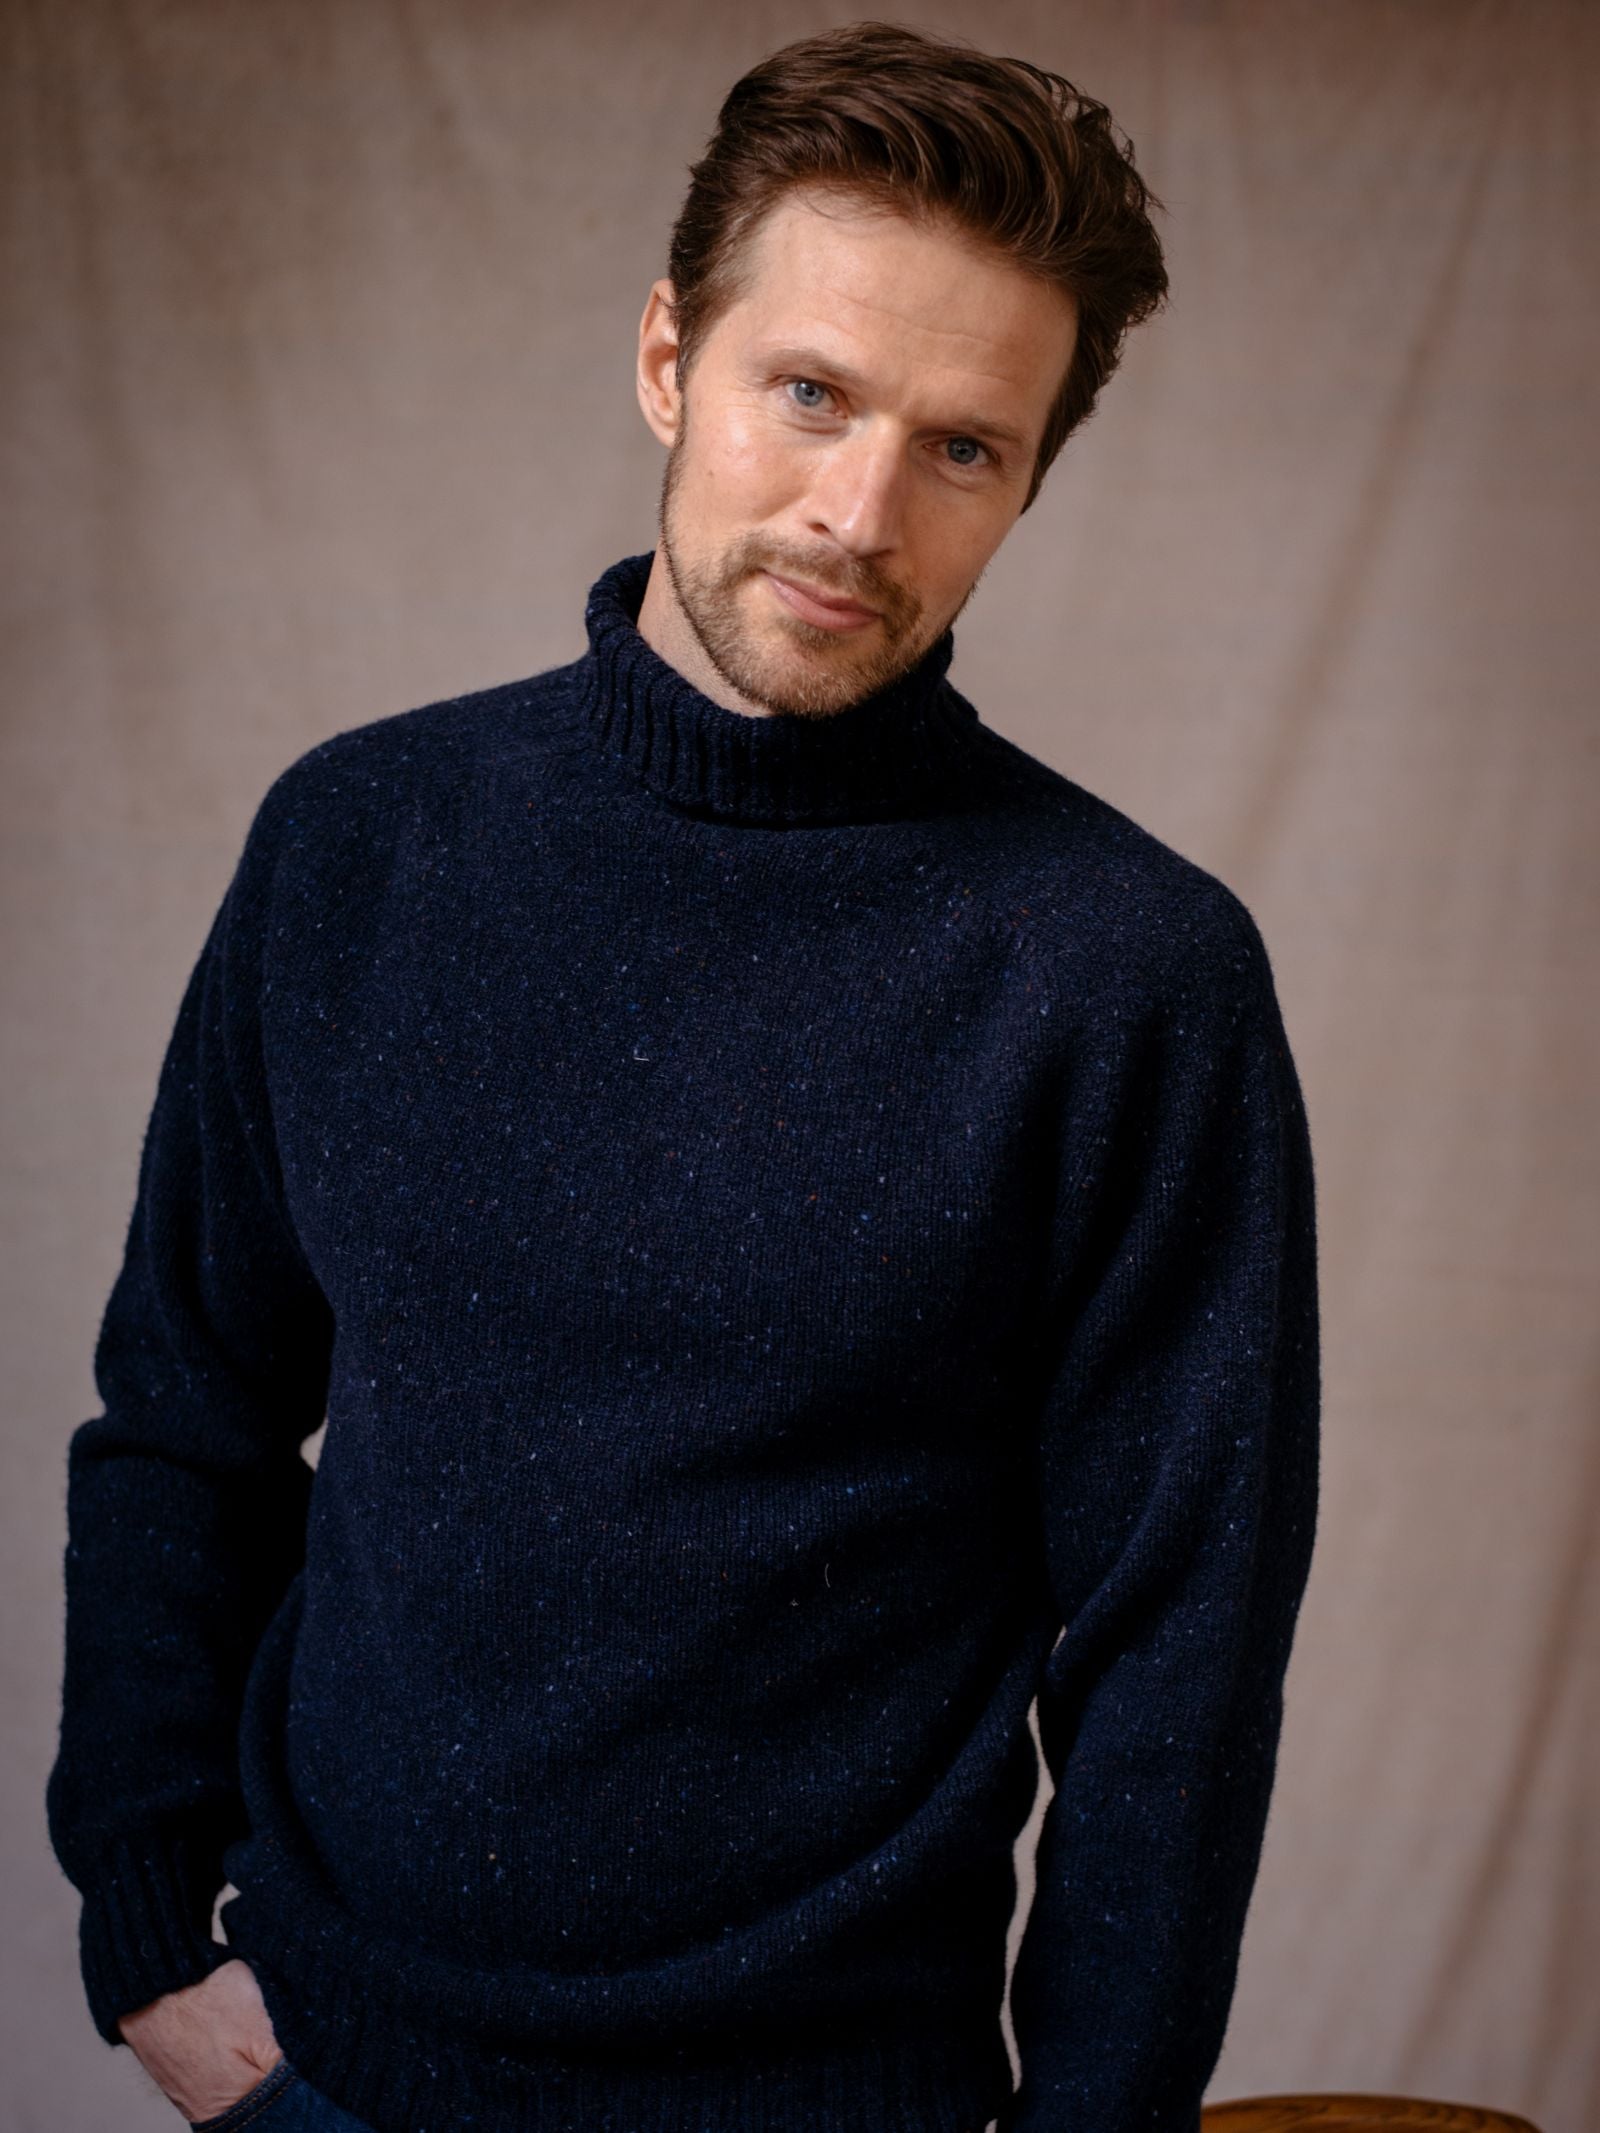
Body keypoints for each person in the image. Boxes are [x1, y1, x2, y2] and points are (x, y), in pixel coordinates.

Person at [46, 20, 1320, 2133]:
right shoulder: (358, 842)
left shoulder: (1130, 973)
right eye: (805, 391)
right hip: (314, 2076)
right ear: (667, 359)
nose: (855, 509)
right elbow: (182, 1412)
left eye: (961, 447)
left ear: (1027, 479)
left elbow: (1175, 1654)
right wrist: (153, 1930)